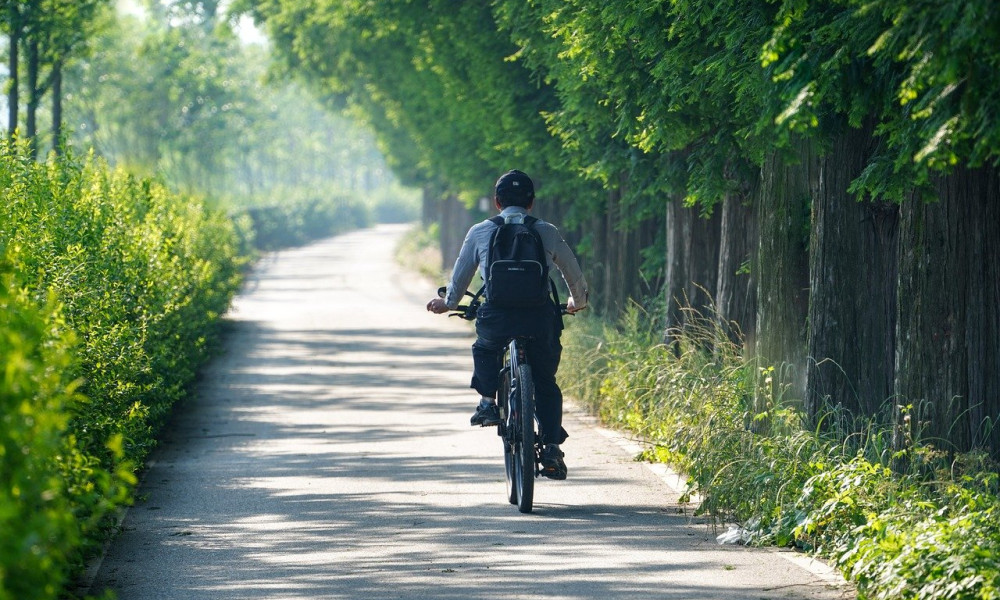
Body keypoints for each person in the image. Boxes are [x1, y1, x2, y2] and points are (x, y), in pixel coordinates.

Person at [426, 169, 588, 480]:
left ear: (497, 202)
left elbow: (460, 276)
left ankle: (487, 402)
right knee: (545, 382)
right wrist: (576, 302)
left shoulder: (480, 231)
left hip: (497, 317)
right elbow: (572, 271)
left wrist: (447, 302)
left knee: (485, 346)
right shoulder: (546, 231)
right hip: (540, 318)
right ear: (531, 202)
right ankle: (551, 446)